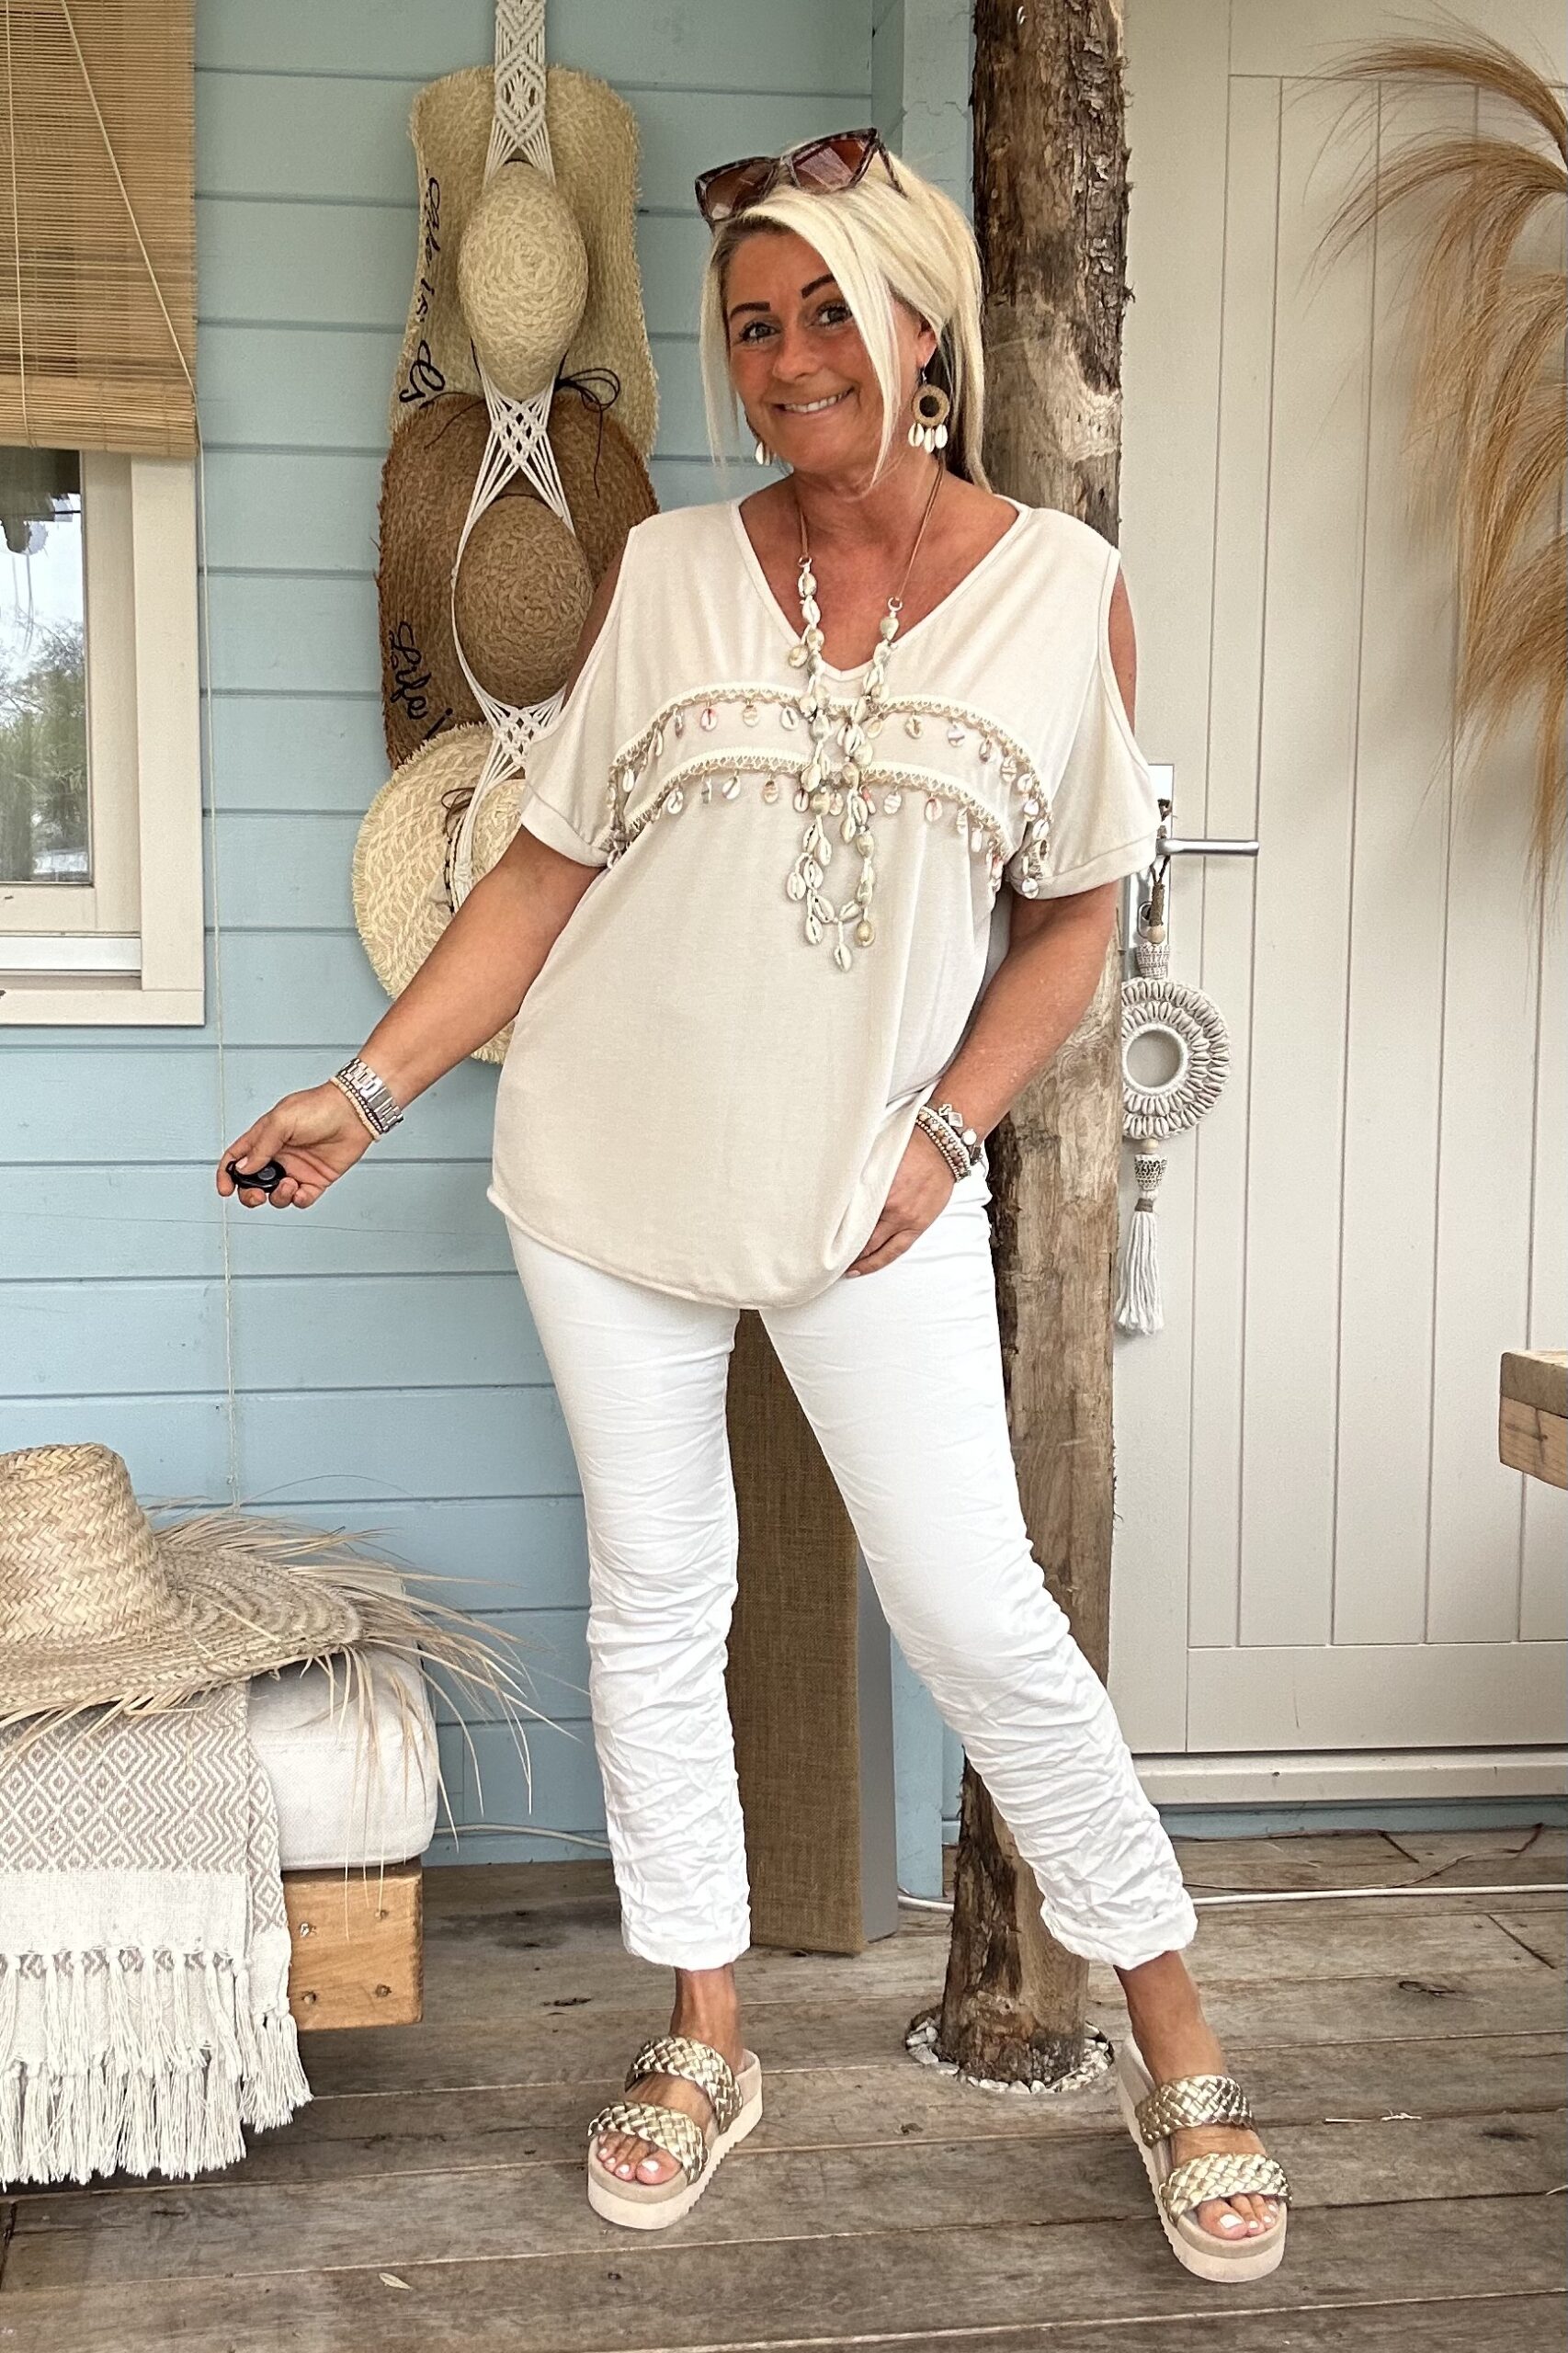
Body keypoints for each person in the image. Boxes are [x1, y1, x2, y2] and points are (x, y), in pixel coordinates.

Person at [217, 131, 1289, 2277]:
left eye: (827, 313)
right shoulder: (673, 573)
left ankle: (1177, 2042)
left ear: (922, 333)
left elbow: (1079, 914)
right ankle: (703, 2027)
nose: (789, 357)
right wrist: (366, 1089)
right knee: (656, 1597)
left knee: (977, 1613)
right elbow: (545, 872)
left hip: (865, 1190)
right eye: (751, 325)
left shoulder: (1061, 588)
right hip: (602, 1165)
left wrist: (947, 1132)